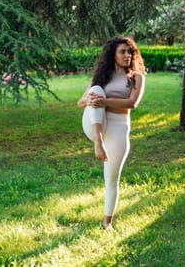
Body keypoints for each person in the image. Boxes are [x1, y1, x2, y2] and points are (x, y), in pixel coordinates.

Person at [77, 36, 146, 231]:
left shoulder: (136, 77)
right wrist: (91, 100)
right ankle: (97, 143)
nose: (127, 55)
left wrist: (104, 102)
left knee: (112, 178)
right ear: (112, 55)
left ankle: (107, 222)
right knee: (97, 89)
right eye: (122, 52)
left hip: (119, 126)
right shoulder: (100, 78)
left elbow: (132, 103)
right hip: (95, 124)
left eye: (130, 52)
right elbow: (79, 103)